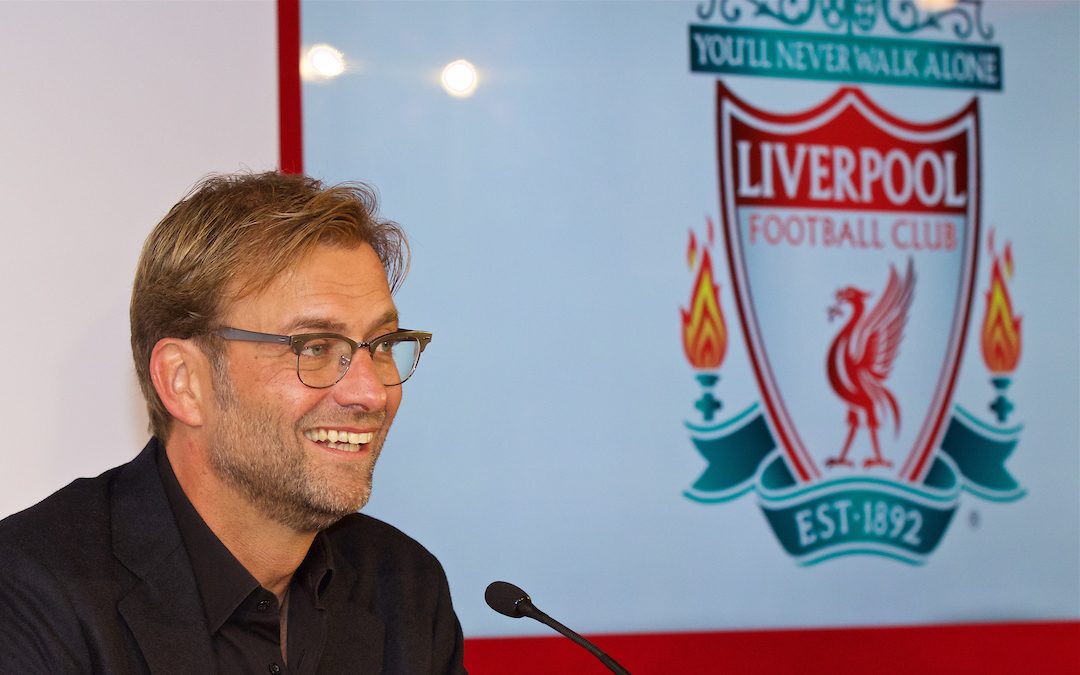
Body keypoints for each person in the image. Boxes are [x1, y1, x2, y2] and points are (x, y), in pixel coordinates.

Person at [0, 171, 466, 674]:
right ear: (184, 382)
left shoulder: (405, 589)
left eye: (380, 346)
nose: (371, 393)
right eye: (314, 347)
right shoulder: (30, 596)